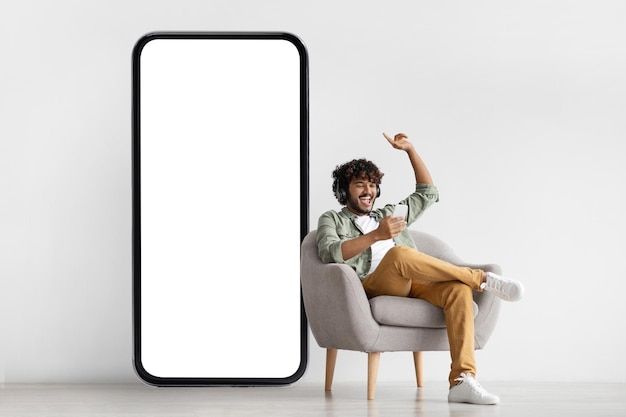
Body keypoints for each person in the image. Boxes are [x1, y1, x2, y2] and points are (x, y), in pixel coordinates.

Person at [316, 132, 524, 405]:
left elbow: (427, 193)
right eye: (359, 185)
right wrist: (376, 236)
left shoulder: (388, 213)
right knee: (400, 254)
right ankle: (481, 280)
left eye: (372, 185)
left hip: (413, 281)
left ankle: (463, 379)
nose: (368, 191)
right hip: (374, 284)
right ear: (345, 190)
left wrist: (410, 150)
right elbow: (330, 252)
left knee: (458, 291)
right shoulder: (332, 219)